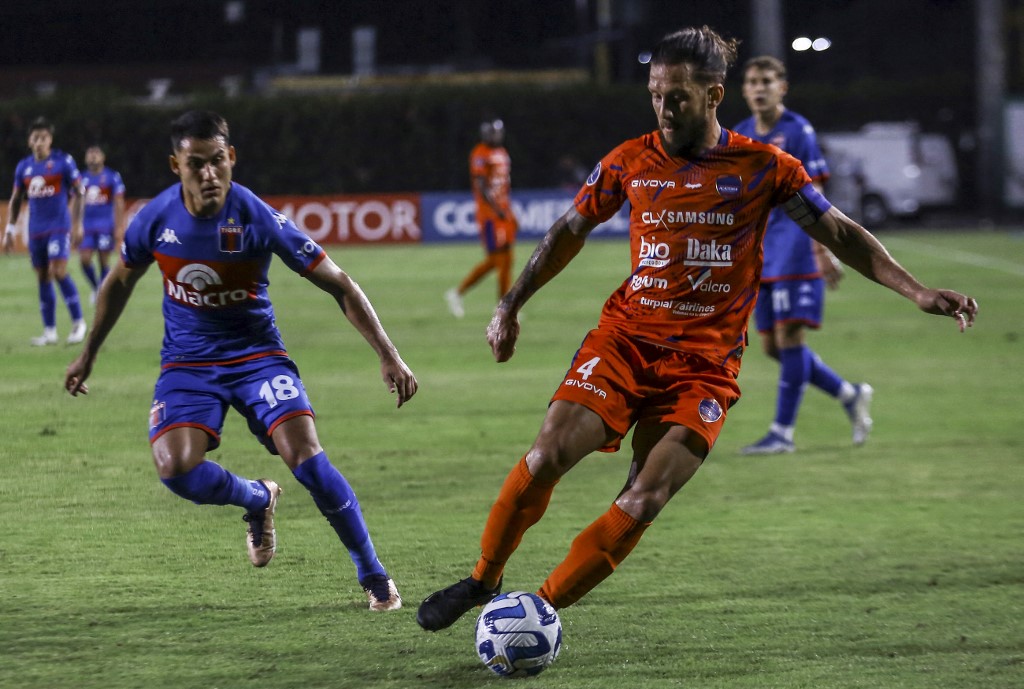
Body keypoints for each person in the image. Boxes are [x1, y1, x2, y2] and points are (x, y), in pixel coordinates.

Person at [416, 26, 978, 632]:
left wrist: (917, 290)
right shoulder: (630, 160)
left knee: (644, 495)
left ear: (714, 95)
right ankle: (484, 579)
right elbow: (567, 231)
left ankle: (539, 613)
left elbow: (839, 233)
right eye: (655, 94)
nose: (663, 108)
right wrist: (510, 304)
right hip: (626, 340)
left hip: (705, 369)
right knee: (548, 452)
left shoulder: (766, 168)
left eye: (677, 96)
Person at [64, 111, 418, 611]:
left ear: (230, 158)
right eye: (195, 164)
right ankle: (256, 498)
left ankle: (373, 572)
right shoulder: (154, 220)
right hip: (187, 364)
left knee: (309, 461)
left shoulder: (257, 217)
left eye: (216, 161)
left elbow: (339, 283)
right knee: (175, 468)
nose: (208, 174)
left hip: (258, 358)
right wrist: (88, 354)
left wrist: (389, 355)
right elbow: (118, 283)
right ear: (176, 166)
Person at [733, 55, 871, 455]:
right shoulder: (741, 134)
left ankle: (782, 433)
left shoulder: (798, 131)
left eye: (767, 81)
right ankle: (849, 393)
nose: (759, 88)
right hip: (762, 254)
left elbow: (817, 197)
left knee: (791, 337)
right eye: (753, 81)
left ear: (782, 88)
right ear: (744, 90)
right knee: (774, 347)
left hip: (797, 250)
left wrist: (823, 250)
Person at [3, 116, 88, 345]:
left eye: (44, 137)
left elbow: (80, 191)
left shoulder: (63, 162)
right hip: (36, 229)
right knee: (42, 276)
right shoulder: (24, 167)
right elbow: (16, 199)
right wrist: (9, 230)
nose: (39, 141)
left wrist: (78, 224)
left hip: (59, 227)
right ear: (29, 141)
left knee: (58, 270)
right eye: (35, 138)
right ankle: (49, 331)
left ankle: (79, 323)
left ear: (50, 140)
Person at [445, 119, 517, 318]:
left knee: (506, 260)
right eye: (493, 133)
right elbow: (481, 185)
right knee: (499, 259)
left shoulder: (502, 152)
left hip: (503, 211)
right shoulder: (480, 153)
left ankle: (503, 306)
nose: (496, 136)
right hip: (490, 215)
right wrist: (496, 208)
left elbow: (503, 184)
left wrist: (507, 208)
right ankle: (502, 307)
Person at [78, 144, 126, 304]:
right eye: (90, 153)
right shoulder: (80, 178)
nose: (92, 156)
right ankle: (96, 287)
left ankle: (103, 292)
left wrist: (119, 227)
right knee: (84, 260)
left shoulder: (112, 176)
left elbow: (119, 202)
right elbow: (75, 202)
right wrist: (74, 224)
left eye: (96, 153)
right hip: (86, 226)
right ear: (85, 158)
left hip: (105, 225)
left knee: (103, 260)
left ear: (103, 157)